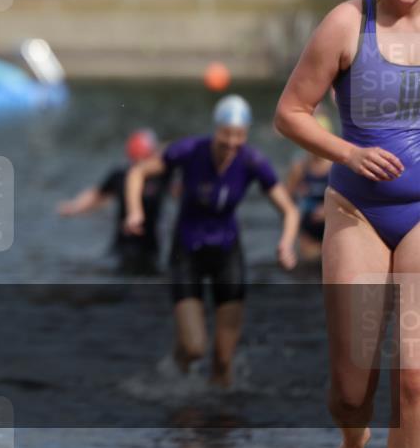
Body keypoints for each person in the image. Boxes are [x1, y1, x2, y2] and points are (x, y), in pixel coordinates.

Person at [275, 0, 420, 448]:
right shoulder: (346, 23)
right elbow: (289, 113)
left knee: (414, 382)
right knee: (352, 388)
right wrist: (348, 154)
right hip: (357, 211)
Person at [124, 95, 299, 387]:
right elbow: (137, 172)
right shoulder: (190, 150)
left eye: (239, 136)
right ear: (215, 129)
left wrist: (286, 243)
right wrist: (134, 211)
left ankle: (218, 425)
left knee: (222, 361)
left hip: (227, 254)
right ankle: (173, 373)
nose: (231, 143)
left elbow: (289, 210)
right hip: (187, 253)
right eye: (225, 135)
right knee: (195, 348)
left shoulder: (252, 161)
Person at [57, 128, 170, 275]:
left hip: (149, 247)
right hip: (122, 245)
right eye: (136, 158)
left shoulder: (161, 177)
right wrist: (74, 207)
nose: (138, 163)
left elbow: (177, 179)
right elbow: (97, 194)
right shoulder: (120, 175)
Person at [285, 112, 335, 264]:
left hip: (333, 229)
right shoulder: (299, 168)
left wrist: (328, 211)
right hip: (308, 233)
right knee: (308, 273)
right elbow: (286, 202)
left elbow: (353, 202)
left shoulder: (337, 167)